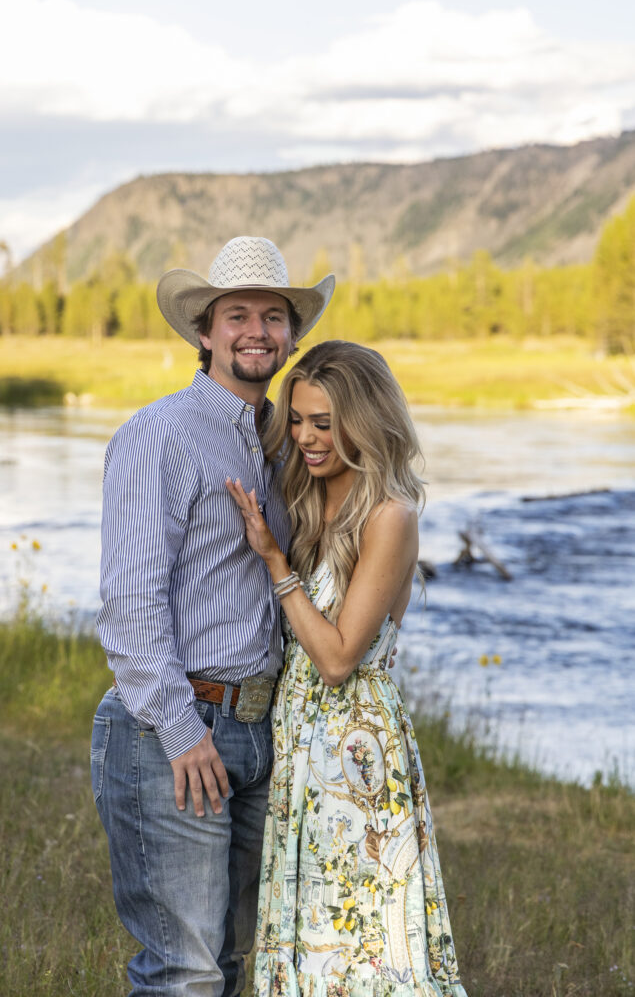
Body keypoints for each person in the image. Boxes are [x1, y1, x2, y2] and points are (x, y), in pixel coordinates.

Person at [90, 236, 335, 996]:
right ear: (205, 332)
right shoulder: (159, 435)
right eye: (238, 316)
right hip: (175, 731)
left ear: (291, 336)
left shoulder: (283, 441)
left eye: (273, 316)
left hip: (260, 732)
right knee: (185, 971)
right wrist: (180, 729)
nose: (256, 332)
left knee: (235, 966)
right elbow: (130, 605)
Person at [227, 340, 468, 997]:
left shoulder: (390, 515)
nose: (305, 437)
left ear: (363, 422)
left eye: (324, 424)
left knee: (361, 941)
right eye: (298, 419)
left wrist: (275, 562)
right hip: (299, 746)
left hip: (355, 752)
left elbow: (335, 658)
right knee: (304, 933)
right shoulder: (305, 500)